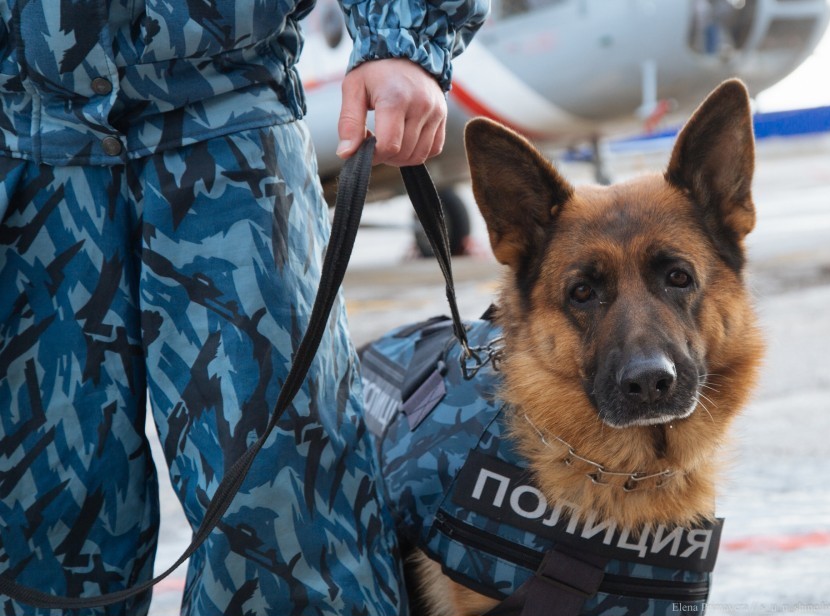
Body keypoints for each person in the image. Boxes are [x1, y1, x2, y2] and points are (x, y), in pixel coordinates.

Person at [0, 1, 487, 614]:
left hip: (230, 116)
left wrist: (406, 37)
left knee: (284, 513)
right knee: (34, 509)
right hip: (16, 134)